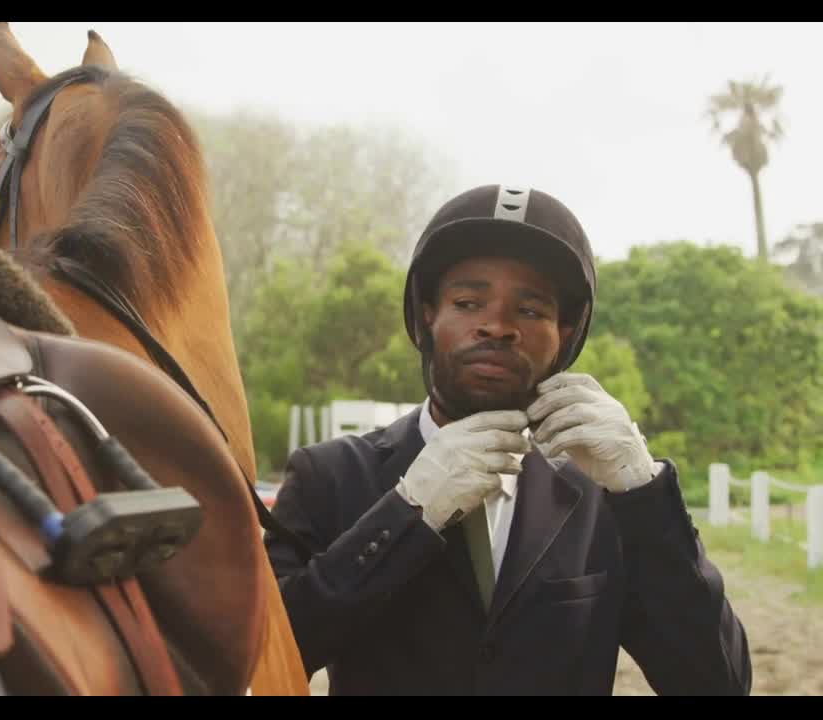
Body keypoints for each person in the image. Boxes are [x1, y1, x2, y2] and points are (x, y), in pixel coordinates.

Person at [264, 184, 752, 695]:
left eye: (531, 310)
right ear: (428, 315)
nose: (496, 326)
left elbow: (718, 684)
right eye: (469, 301)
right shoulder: (329, 475)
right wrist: (407, 513)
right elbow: (261, 660)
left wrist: (645, 492)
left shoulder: (601, 496)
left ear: (565, 334)